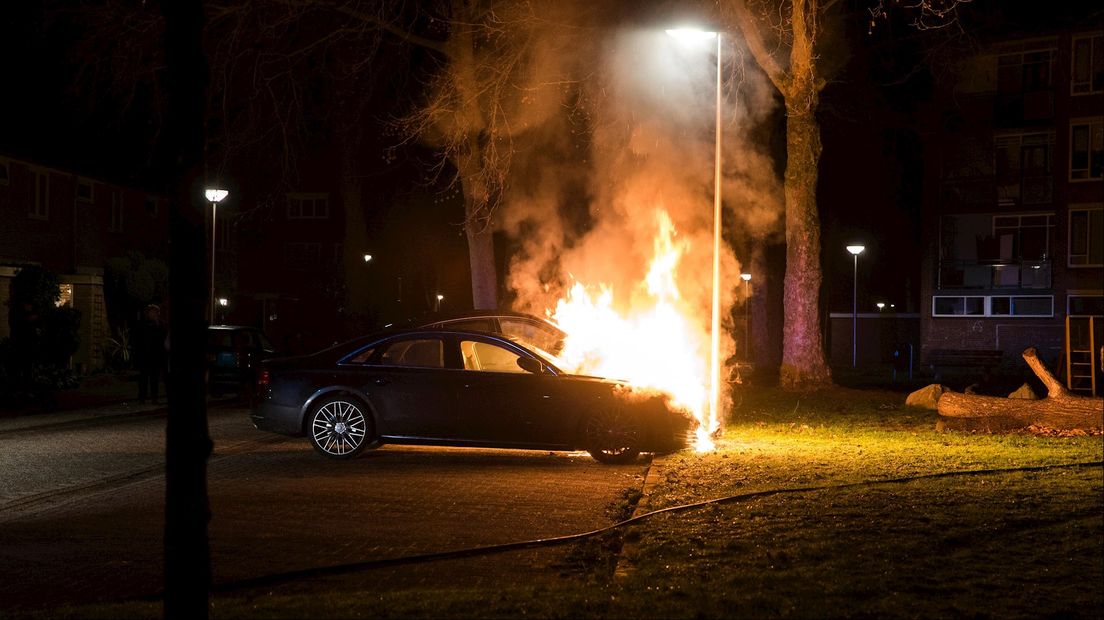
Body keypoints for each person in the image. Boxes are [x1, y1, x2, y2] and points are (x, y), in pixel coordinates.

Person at [134, 304, 167, 403]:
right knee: (143, 378)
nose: (154, 314)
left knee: (154, 378)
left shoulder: (161, 324)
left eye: (156, 312)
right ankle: (142, 397)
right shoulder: (142, 324)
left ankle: (154, 397)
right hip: (145, 355)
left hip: (156, 356)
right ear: (147, 313)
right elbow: (137, 340)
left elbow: (164, 338)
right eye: (152, 312)